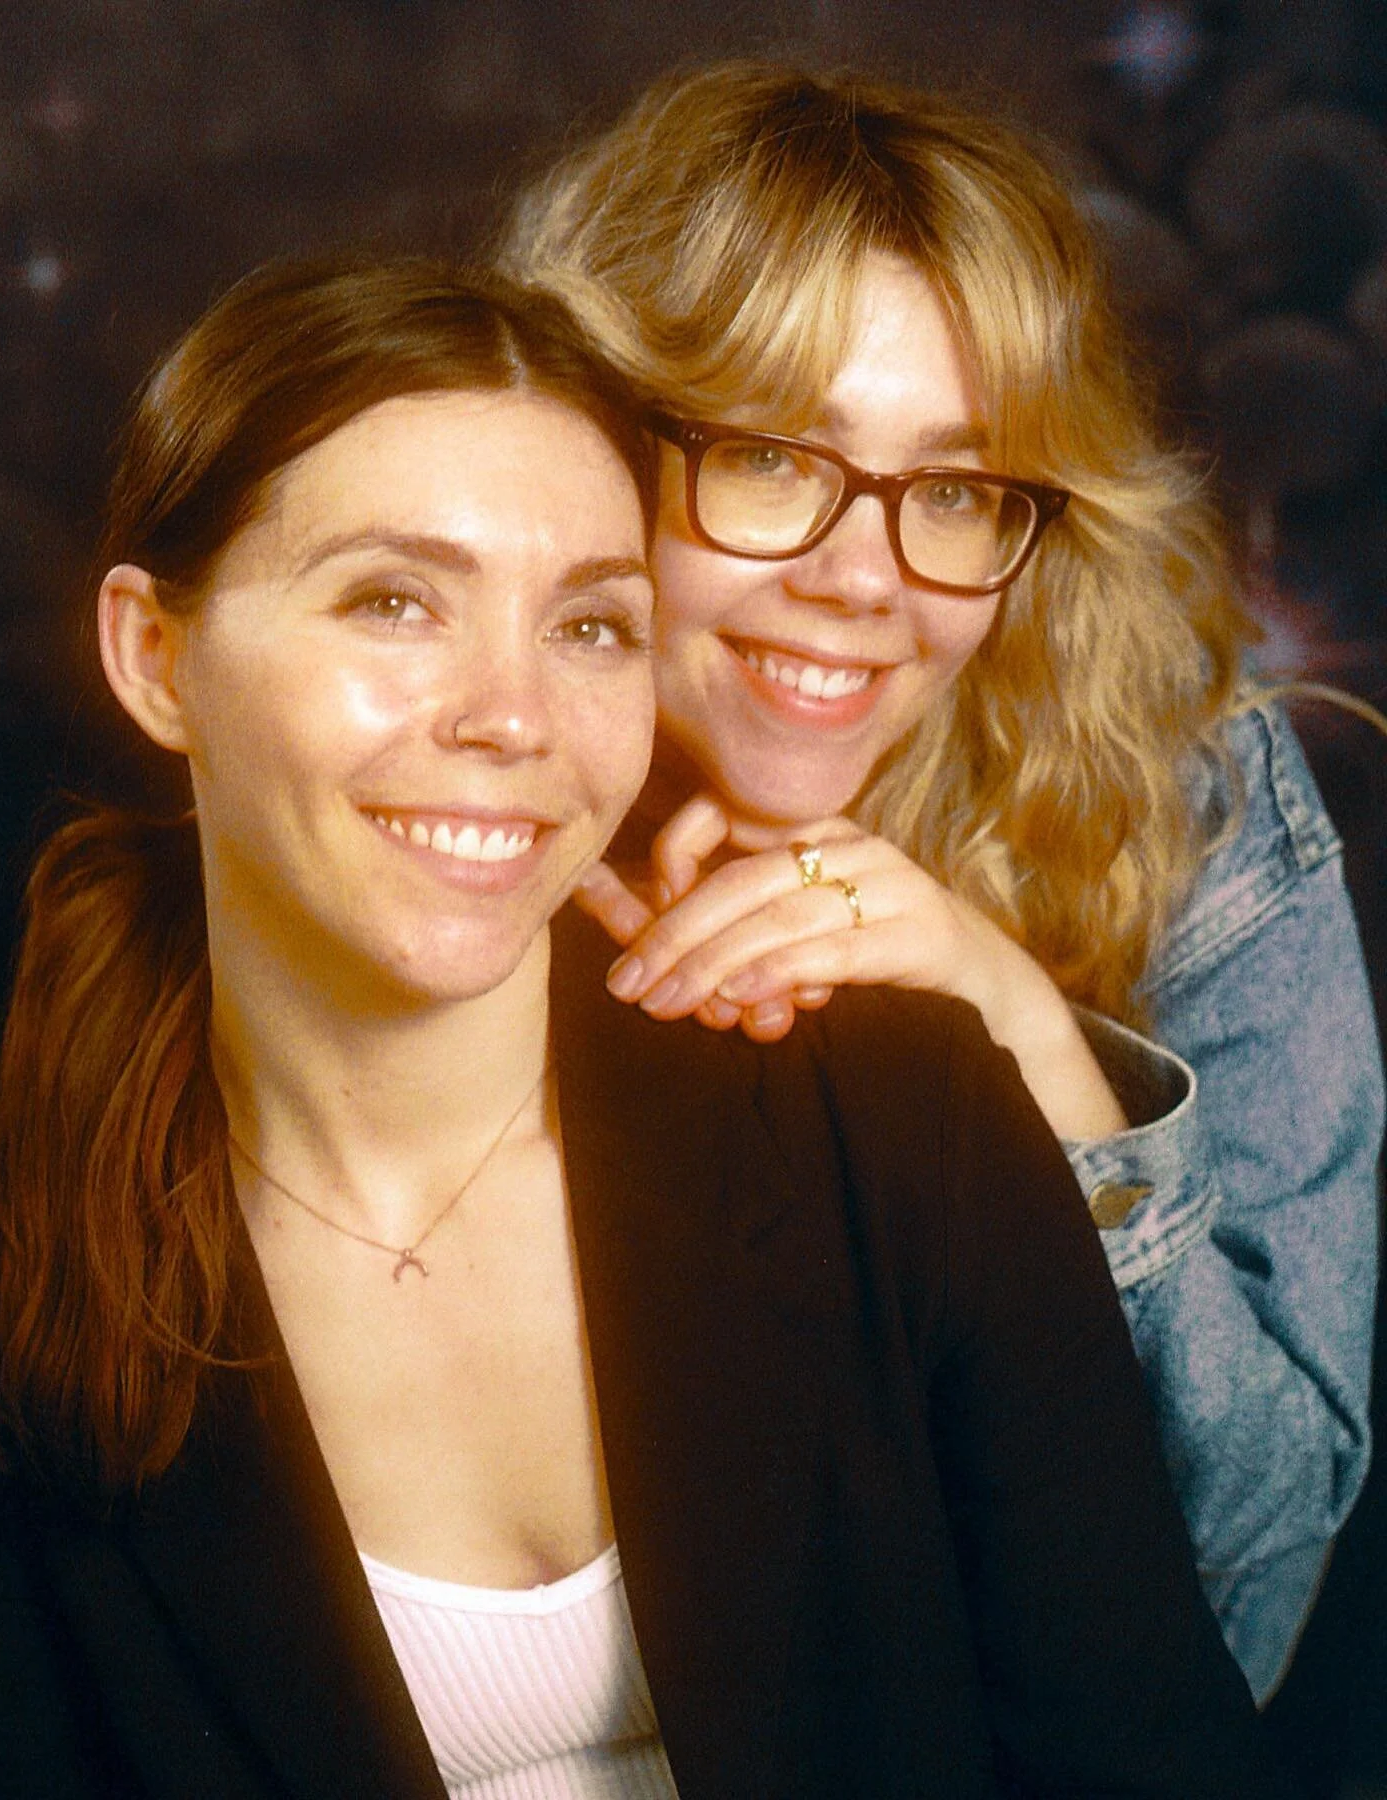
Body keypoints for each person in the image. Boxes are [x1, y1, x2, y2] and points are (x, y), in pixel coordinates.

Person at [0, 256, 1287, 1797]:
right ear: (155, 657)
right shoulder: (14, 1286)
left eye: (590, 628)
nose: (510, 716)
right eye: (395, 602)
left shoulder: (896, 1119)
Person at [498, 60, 1385, 1704]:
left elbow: (1242, 1576)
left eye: (958, 492)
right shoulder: (445, 809)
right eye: (772, 458)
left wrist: (1023, 1037)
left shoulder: (1193, 810)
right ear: (592, 441)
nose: (861, 581)